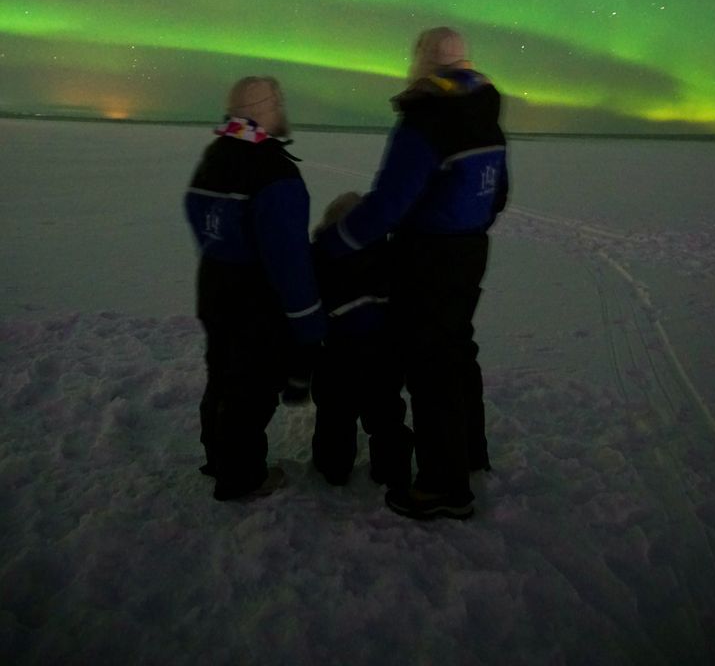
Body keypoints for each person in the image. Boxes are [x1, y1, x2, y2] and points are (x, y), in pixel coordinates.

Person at [315, 27, 508, 520]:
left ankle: (444, 488)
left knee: (431, 368)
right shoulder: (483, 114)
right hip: (470, 251)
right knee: (458, 353)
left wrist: (334, 243)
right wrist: (467, 226)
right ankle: (470, 452)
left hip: (429, 258)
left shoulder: (425, 120)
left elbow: (387, 204)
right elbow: (498, 192)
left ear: (419, 63)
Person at [184, 76, 325, 501]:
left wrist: (221, 252)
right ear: (267, 109)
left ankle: (219, 456)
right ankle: (242, 476)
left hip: (215, 287)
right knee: (251, 388)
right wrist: (308, 325)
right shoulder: (273, 170)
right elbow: (289, 260)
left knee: (223, 375)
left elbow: (195, 209)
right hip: (255, 299)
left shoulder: (217, 154)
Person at [310, 193, 414, 488]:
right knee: (386, 413)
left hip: (337, 351)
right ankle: (393, 468)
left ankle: (332, 467)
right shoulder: (388, 253)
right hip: (384, 349)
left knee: (334, 413)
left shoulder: (320, 257)